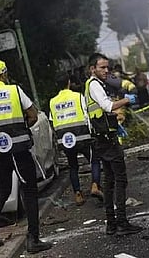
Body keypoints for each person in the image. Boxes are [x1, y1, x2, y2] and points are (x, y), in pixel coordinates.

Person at [0, 60, 52, 253]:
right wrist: (23, 130)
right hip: (19, 149)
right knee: (29, 190)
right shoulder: (14, 90)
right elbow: (33, 114)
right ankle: (33, 239)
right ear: (3, 74)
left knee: (3, 190)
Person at [85, 53, 143, 235]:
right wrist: (127, 100)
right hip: (106, 142)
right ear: (92, 69)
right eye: (102, 67)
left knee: (109, 181)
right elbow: (107, 106)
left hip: (103, 138)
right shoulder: (94, 84)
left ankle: (111, 224)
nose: (106, 71)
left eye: (107, 67)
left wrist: (114, 126)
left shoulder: (95, 85)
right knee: (120, 179)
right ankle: (122, 222)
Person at [49, 72, 102, 206]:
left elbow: (52, 120)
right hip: (82, 135)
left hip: (65, 139)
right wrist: (92, 132)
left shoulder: (52, 101)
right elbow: (86, 113)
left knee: (73, 166)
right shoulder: (78, 96)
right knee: (94, 159)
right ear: (69, 82)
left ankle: (77, 194)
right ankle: (95, 185)